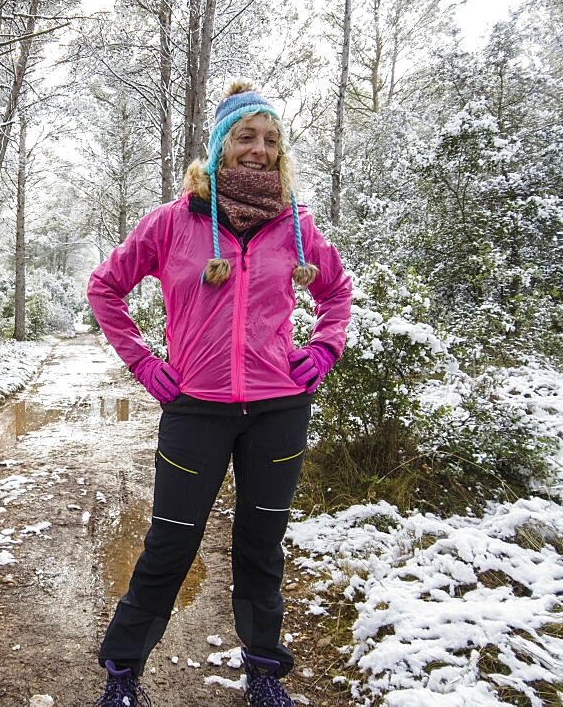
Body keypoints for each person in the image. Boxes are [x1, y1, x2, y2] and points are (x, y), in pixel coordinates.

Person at [86, 80, 352, 707]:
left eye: (270, 140)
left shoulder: (297, 227)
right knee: (170, 544)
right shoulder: (173, 222)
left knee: (261, 548)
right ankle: (122, 675)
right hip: (196, 411)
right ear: (218, 146)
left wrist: (323, 349)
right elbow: (105, 288)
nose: (258, 149)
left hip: (278, 410)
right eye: (245, 137)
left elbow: (336, 293)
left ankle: (262, 670)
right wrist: (147, 365)